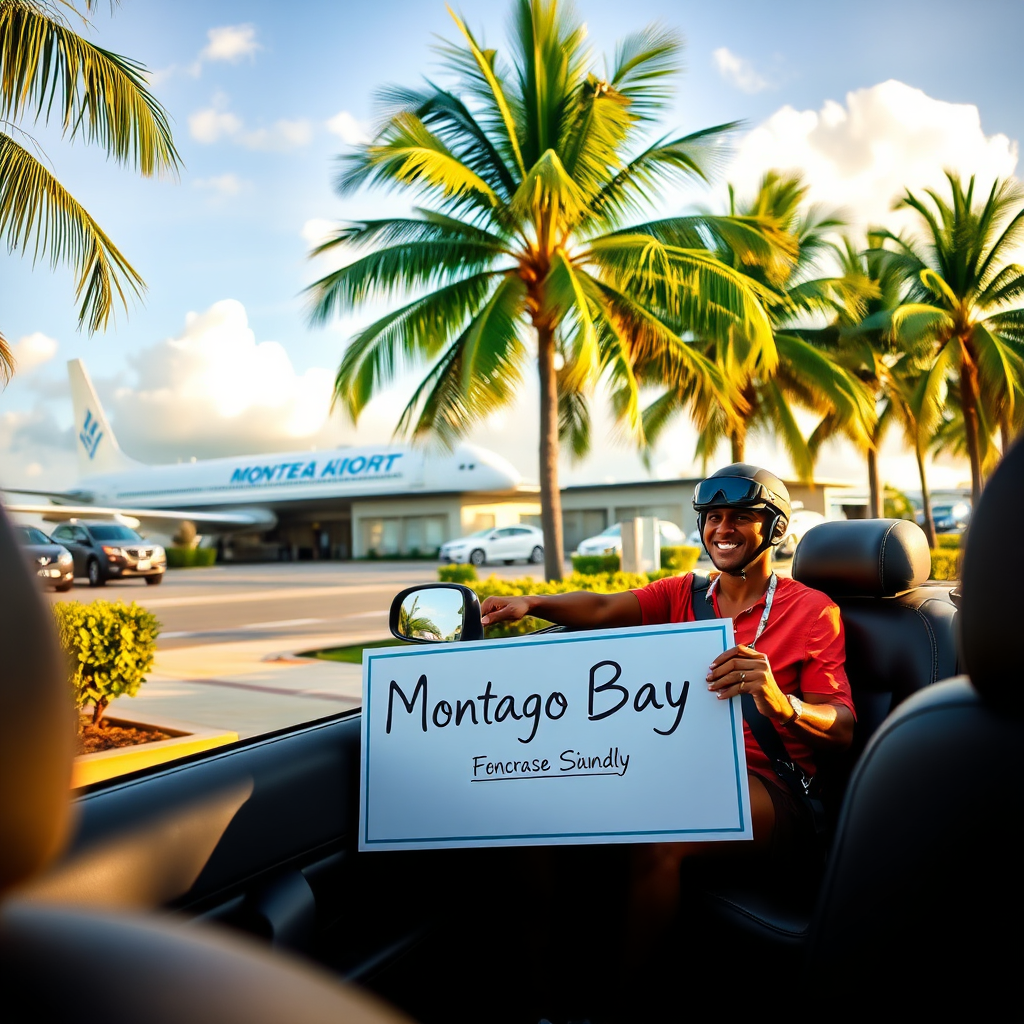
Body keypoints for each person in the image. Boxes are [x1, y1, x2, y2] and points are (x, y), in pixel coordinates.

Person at [479, 463, 855, 948]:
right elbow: (601, 608)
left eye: (740, 516)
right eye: (712, 516)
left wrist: (780, 703)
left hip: (772, 789)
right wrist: (532, 603)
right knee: (541, 821)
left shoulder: (812, 610)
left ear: (775, 528)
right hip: (675, 770)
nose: (722, 529)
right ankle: (543, 1004)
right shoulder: (683, 593)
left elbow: (841, 726)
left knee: (659, 838)